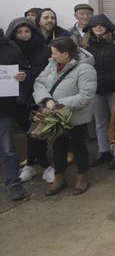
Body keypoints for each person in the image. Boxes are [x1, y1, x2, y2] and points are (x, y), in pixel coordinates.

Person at [33, 36, 97, 195]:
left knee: (78, 146)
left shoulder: (85, 69)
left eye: (55, 53)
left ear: (66, 54)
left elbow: (86, 95)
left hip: (74, 117)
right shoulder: (52, 64)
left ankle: (82, 177)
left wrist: (58, 102)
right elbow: (39, 82)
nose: (52, 56)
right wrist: (47, 99)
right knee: (57, 146)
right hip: (54, 116)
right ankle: (59, 177)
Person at [7, 18, 52, 184]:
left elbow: (49, 71)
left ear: (33, 32)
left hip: (38, 96)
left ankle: (41, 165)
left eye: (27, 31)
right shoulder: (9, 49)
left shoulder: (44, 49)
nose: (23, 35)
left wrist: (28, 74)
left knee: (38, 132)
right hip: (17, 98)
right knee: (29, 132)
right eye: (19, 32)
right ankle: (35, 165)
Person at [81, 14, 115, 169]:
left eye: (102, 25)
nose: (99, 28)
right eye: (95, 26)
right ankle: (104, 151)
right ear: (90, 29)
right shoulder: (86, 47)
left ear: (108, 27)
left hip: (114, 89)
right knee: (100, 122)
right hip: (96, 90)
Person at [0, 33, 27, 200]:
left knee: (8, 148)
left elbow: (25, 70)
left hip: (4, 108)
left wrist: (23, 75)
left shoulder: (11, 49)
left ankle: (13, 183)